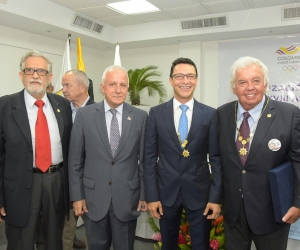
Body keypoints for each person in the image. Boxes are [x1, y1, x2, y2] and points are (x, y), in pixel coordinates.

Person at [217, 56, 300, 250]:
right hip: (233, 212)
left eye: (256, 81)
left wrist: (298, 203)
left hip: (273, 212)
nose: (250, 87)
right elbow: (219, 159)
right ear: (233, 87)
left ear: (266, 84)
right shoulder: (222, 114)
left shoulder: (289, 114)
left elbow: (297, 161)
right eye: (242, 82)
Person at [144, 57, 222, 249]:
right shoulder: (156, 113)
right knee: (168, 244)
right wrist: (152, 197)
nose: (185, 81)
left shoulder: (210, 114)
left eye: (190, 76)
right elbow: (149, 158)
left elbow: (216, 159)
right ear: (171, 80)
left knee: (200, 244)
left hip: (200, 193)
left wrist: (215, 198)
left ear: (196, 80)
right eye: (179, 76)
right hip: (165, 193)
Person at [68, 65, 148, 250]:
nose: (118, 90)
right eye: (112, 84)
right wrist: (77, 197)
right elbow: (75, 162)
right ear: (102, 87)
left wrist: (144, 194)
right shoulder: (84, 115)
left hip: (127, 199)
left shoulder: (140, 117)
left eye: (123, 85)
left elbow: (144, 160)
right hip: (93, 199)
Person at [0, 50, 72, 249]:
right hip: (19, 186)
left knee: (53, 240)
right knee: (20, 242)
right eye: (29, 70)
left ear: (49, 77)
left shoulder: (63, 105)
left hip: (55, 182)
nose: (34, 75)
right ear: (21, 75)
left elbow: (70, 149)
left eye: (40, 71)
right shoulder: (4, 106)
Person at [62, 69, 95, 250]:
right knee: (65, 233)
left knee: (95, 233)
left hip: (93, 185)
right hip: (67, 182)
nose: (63, 90)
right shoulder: (61, 111)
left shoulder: (100, 111)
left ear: (82, 87)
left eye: (67, 85)